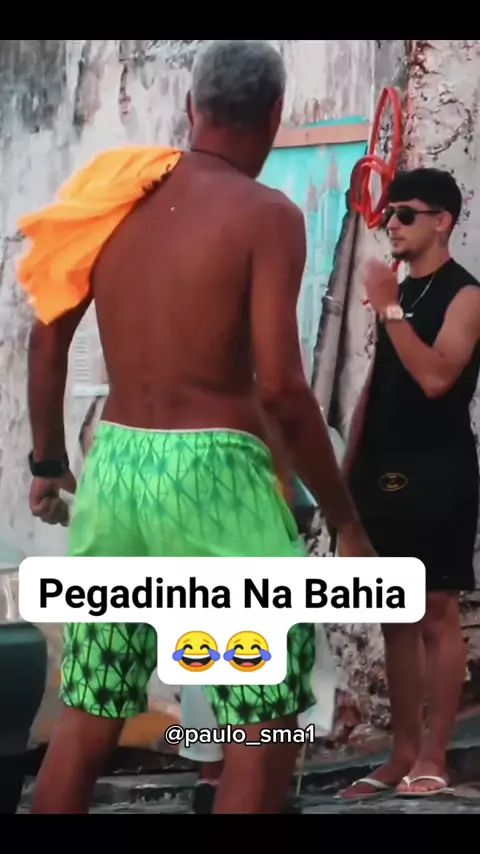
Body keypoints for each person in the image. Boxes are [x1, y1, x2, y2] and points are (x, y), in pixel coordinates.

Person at [25, 39, 374, 814]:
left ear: (193, 107)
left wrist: (48, 463)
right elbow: (281, 386)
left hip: (116, 466)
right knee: (259, 721)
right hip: (215, 478)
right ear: (275, 114)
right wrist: (345, 521)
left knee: (92, 706)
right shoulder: (267, 216)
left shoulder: (113, 198)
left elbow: (46, 338)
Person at [340, 167, 480, 800]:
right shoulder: (399, 295)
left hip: (437, 467)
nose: (391, 225)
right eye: (388, 214)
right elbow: (381, 382)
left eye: (405, 214)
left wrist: (389, 308)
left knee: (434, 611)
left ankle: (433, 755)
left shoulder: (464, 295)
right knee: (392, 614)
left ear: (442, 222)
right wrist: (347, 473)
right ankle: (400, 753)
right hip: (382, 466)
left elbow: (436, 378)